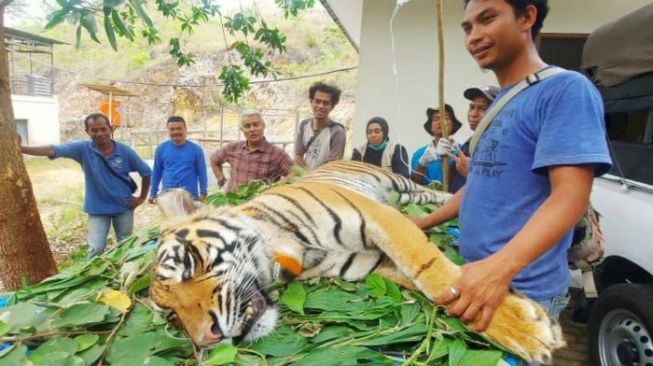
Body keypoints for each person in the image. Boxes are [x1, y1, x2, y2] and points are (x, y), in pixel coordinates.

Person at [413, 0, 612, 335]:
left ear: (527, 17)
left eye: (487, 19)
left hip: (522, 292)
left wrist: (499, 270)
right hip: (478, 277)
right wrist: (421, 222)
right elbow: (478, 186)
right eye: (468, 27)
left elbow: (570, 195)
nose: (474, 36)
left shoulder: (564, 90)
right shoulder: (500, 105)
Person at [20, 113, 152, 258]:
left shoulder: (124, 151)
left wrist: (140, 198)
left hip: (123, 207)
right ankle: (91, 276)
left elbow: (146, 172)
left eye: (103, 129)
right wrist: (22, 148)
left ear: (111, 129)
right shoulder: (83, 149)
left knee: (126, 245)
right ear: (87, 132)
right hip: (97, 209)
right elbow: (53, 149)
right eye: (94, 130)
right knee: (96, 248)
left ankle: (123, 276)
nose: (99, 133)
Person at [210, 110, 294, 191]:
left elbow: (296, 173)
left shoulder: (277, 154)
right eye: (247, 126)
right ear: (242, 129)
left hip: (259, 203)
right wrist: (222, 181)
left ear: (263, 126)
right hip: (233, 202)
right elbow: (214, 159)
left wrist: (277, 187)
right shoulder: (233, 148)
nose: (252, 129)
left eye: (256, 125)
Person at [449, 85, 499, 192]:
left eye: (483, 109)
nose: (473, 114)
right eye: (471, 107)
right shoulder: (467, 145)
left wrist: (472, 173)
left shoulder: (499, 146)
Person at [148, 116, 207, 203]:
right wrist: (152, 193)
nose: (176, 132)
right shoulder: (161, 149)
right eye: (172, 129)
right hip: (167, 197)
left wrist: (203, 192)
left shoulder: (196, 150)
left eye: (179, 129)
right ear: (168, 131)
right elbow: (156, 172)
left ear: (185, 129)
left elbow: (202, 173)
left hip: (190, 197)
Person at [294, 82, 346, 170]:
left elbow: (332, 165)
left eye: (325, 103)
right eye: (317, 101)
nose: (321, 106)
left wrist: (312, 178)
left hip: (323, 180)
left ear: (332, 106)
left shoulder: (337, 132)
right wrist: (306, 175)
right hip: (304, 178)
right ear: (311, 102)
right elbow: (298, 156)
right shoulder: (304, 125)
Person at [410, 104, 462, 187]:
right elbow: (414, 185)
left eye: (446, 118)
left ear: (453, 125)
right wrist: (422, 164)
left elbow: (460, 182)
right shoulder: (419, 154)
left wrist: (443, 158)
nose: (441, 121)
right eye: (436, 119)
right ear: (430, 127)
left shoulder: (462, 151)